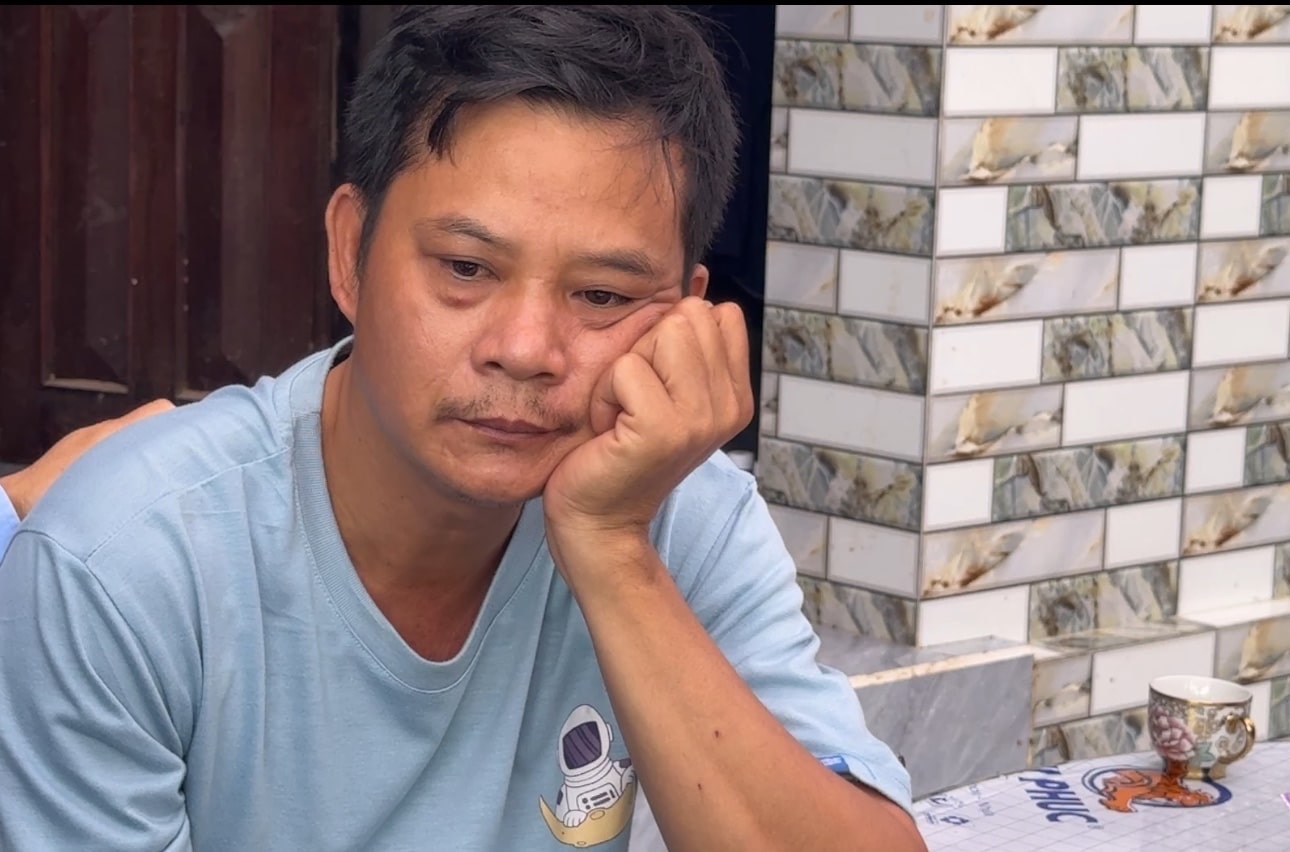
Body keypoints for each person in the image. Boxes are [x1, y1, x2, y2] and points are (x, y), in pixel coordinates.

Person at [0, 7, 924, 851]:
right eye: (466, 268)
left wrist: (610, 549)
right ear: (348, 253)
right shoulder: (125, 566)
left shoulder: (685, 520)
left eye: (601, 295)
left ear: (684, 316)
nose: (526, 349)